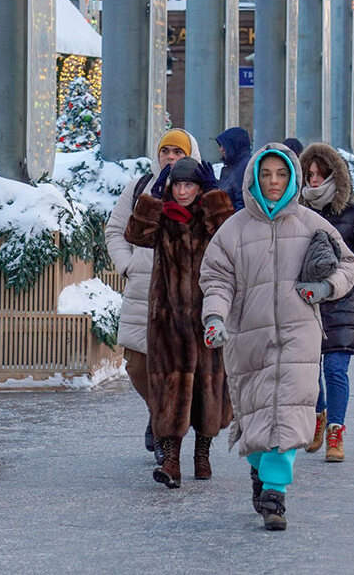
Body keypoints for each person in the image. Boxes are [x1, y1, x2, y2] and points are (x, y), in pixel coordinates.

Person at [199, 143, 354, 531]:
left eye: (282, 174)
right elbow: (216, 278)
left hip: (299, 334)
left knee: (286, 410)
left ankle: (274, 493)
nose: (274, 181)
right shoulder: (233, 229)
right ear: (254, 177)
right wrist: (215, 317)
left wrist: (327, 289)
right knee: (256, 411)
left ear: (293, 178)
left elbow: (348, 263)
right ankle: (260, 469)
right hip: (247, 336)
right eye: (267, 174)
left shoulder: (311, 224)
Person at [125, 157, 234, 488]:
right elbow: (136, 233)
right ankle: (171, 460)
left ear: (199, 188)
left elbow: (229, 232)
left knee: (208, 386)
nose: (183, 191)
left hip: (206, 316)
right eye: (178, 185)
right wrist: (154, 198)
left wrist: (215, 195)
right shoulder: (163, 217)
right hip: (168, 320)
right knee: (169, 390)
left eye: (190, 185)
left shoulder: (208, 219)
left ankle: (203, 454)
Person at [105, 127, 200, 459]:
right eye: (166, 152)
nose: (171, 159)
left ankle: (166, 435)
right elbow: (116, 229)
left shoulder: (200, 191)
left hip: (185, 298)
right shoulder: (141, 188)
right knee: (138, 366)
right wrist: (127, 264)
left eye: (178, 153)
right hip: (143, 292)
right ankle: (157, 410)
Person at [298, 143, 354, 463]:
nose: (314, 181)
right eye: (309, 175)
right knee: (309, 371)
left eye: (320, 175)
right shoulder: (297, 213)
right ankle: (319, 414)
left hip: (344, 298)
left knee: (335, 368)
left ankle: (336, 429)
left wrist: (341, 262)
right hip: (306, 299)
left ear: (334, 176)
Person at [215, 126, 252, 212]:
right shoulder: (233, 165)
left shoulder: (244, 167)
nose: (221, 149)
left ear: (234, 145)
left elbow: (242, 203)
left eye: (224, 145)